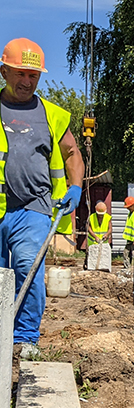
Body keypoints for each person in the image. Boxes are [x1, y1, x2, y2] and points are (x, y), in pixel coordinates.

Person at [0, 38, 84, 358]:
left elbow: (73, 153)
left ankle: (24, 338)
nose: (27, 81)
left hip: (33, 208)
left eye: (33, 76)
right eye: (20, 73)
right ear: (4, 71)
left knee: (28, 269)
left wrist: (75, 186)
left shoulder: (53, 115)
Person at [86, 200, 112, 271]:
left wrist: (107, 234)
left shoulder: (108, 217)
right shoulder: (91, 217)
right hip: (93, 242)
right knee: (92, 258)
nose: (100, 216)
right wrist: (95, 236)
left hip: (103, 242)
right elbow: (88, 227)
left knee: (104, 258)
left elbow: (110, 229)